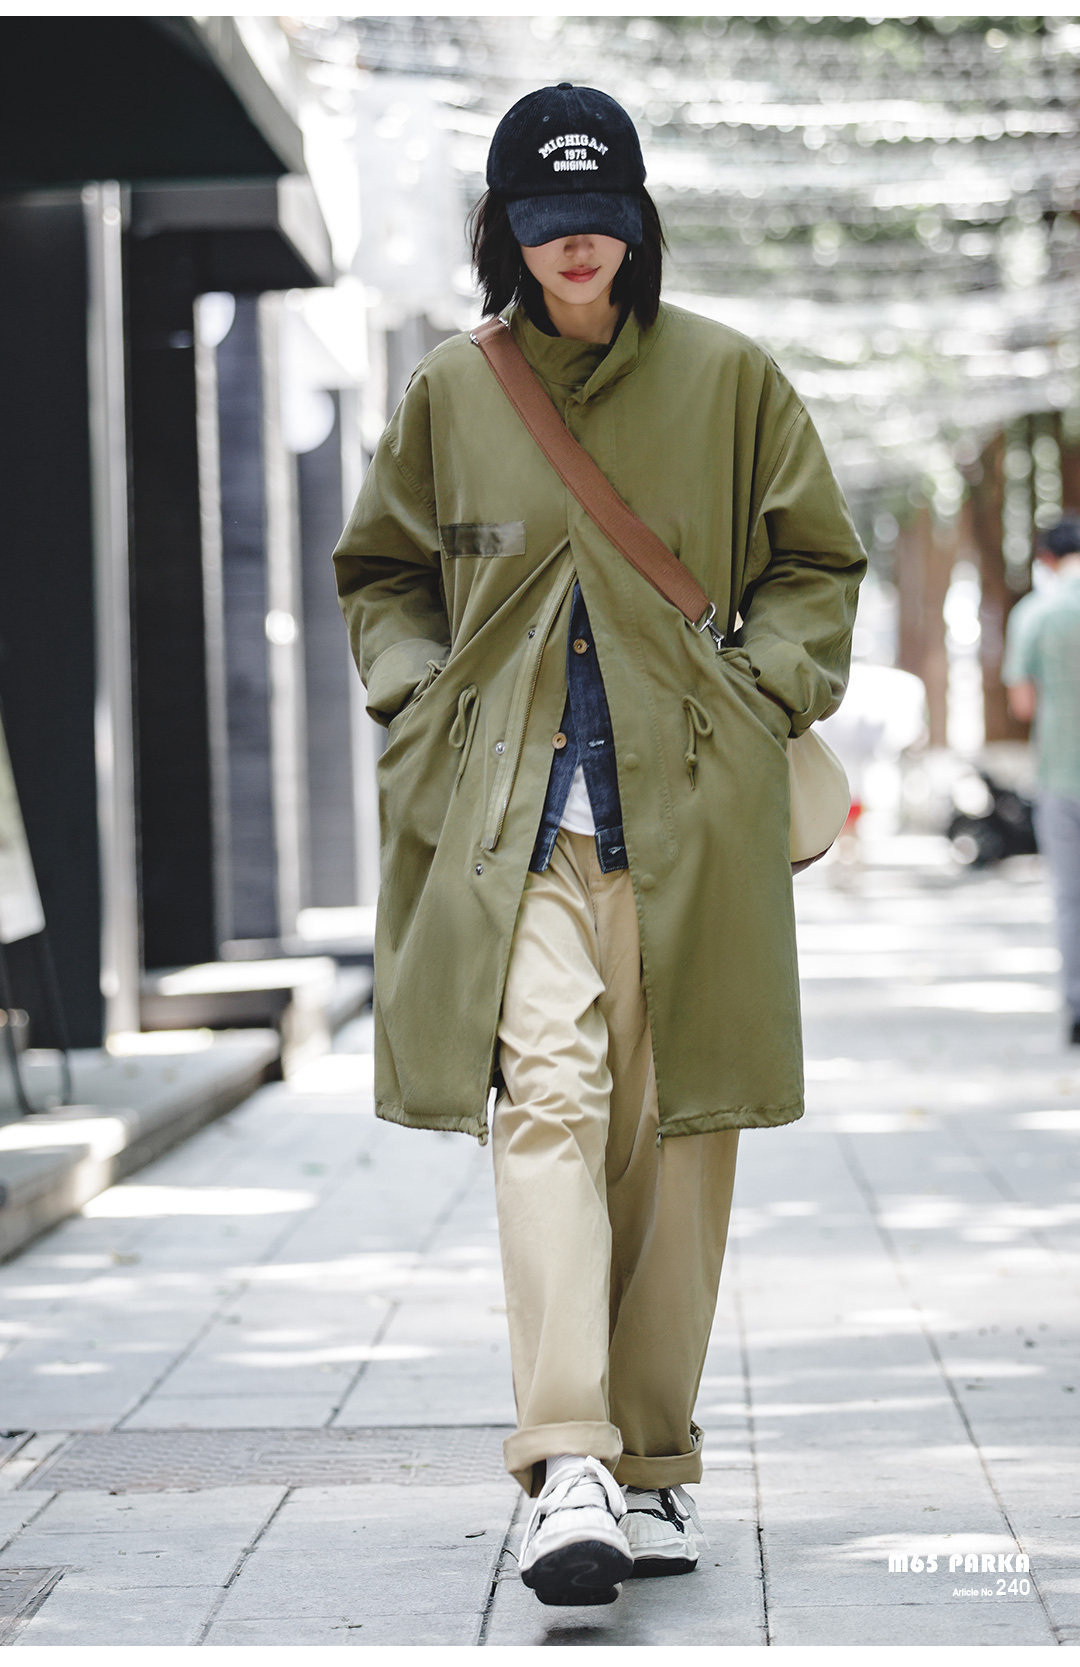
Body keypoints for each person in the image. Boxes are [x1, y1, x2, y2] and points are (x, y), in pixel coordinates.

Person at [332, 82, 866, 1608]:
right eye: (546, 218)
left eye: (600, 216)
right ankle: (568, 1455)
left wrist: (764, 690)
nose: (576, 244)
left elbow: (816, 561)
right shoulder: (453, 390)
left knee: (679, 1138)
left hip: (690, 818)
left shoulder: (732, 377)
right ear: (502, 230)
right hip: (511, 828)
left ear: (637, 225)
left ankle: (654, 1456)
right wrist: (414, 693)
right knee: (550, 1103)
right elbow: (383, 569)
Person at [1003, 514, 1080, 1047]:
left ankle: (1077, 1009)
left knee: (1071, 898)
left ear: (1047, 560)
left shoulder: (1036, 612)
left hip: (1061, 772)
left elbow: (1023, 703)